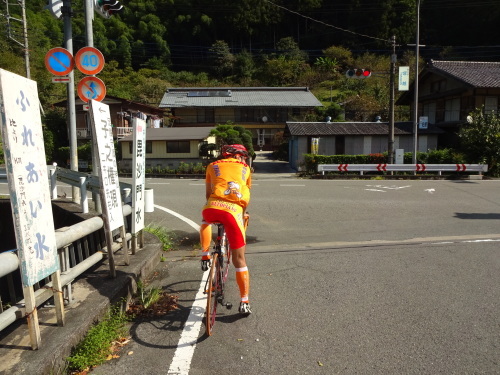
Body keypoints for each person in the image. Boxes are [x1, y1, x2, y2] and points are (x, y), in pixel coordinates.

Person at [200, 144, 252, 315]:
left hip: (212, 207)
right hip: (233, 211)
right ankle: (244, 301)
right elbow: (246, 197)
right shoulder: (246, 168)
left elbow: (208, 194)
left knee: (205, 220)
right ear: (240, 156)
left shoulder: (212, 166)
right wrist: (242, 215)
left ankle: (205, 254)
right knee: (239, 260)